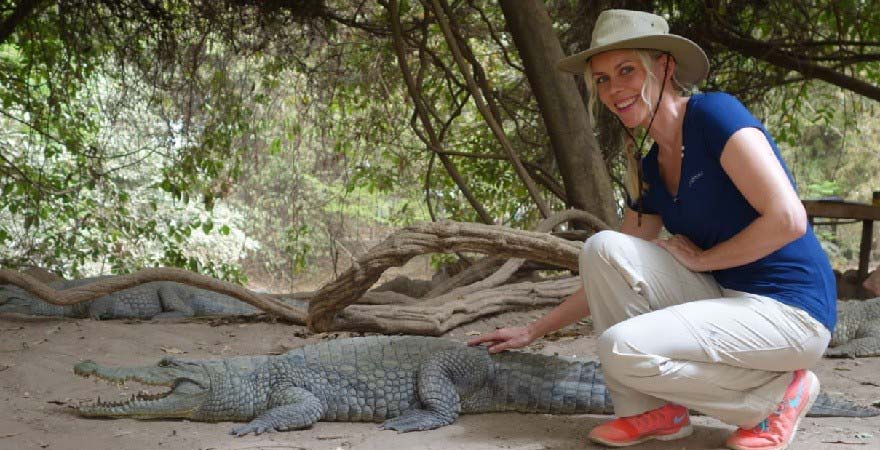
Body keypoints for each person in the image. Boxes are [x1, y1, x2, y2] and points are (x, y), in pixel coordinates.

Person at [468, 9, 836, 450]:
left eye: (626, 70)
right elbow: (611, 270)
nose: (613, 89)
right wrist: (534, 330)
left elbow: (789, 220)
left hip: (791, 311)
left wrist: (704, 261)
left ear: (664, 66)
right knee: (603, 247)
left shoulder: (714, 115)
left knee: (620, 348)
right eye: (601, 79)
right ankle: (651, 412)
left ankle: (778, 397)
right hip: (728, 301)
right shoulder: (648, 166)